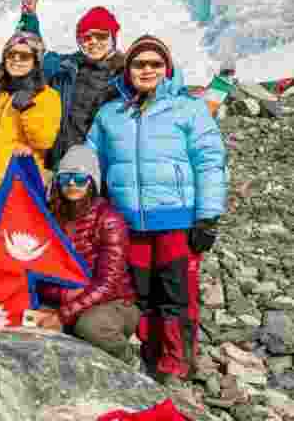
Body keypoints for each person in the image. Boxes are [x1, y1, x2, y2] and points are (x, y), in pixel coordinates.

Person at [85, 35, 227, 385]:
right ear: (128, 69)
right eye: (139, 64)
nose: (146, 70)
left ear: (167, 68)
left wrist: (208, 216)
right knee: (140, 293)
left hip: (177, 218)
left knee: (176, 294)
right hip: (128, 222)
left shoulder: (189, 109)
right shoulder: (110, 114)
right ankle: (150, 357)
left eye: (155, 64)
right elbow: (91, 162)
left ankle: (177, 362)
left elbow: (210, 162)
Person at [34, 145, 139, 361]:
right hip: (66, 299)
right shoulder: (51, 216)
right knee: (28, 319)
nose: (72, 184)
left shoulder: (109, 220)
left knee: (90, 327)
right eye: (66, 178)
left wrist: (62, 315)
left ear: (92, 182)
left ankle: (129, 363)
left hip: (111, 302)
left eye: (80, 178)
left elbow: (107, 284)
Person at [0, 30, 61, 190]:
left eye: (24, 56)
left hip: (19, 184)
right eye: (11, 54)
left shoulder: (46, 96)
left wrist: (27, 110)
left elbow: (44, 141)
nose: (16, 59)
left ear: (36, 61)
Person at [46, 6, 125, 168]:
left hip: (103, 165)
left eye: (101, 36)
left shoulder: (126, 74)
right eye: (87, 37)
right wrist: (29, 24)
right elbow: (32, 61)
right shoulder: (66, 68)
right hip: (62, 162)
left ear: (113, 39)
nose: (93, 42)